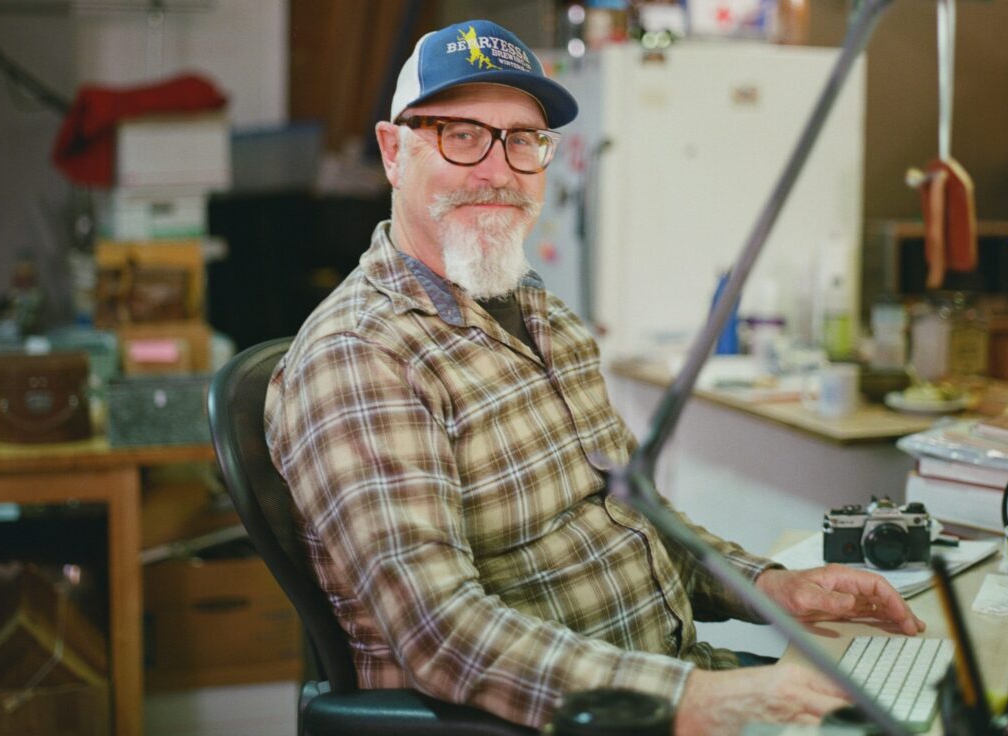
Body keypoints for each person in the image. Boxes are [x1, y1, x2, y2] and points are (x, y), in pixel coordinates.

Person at [266, 19, 925, 735]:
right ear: (394, 152)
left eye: (523, 140)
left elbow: (632, 519)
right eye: (462, 135)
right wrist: (694, 701)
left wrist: (768, 585)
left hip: (673, 681)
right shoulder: (362, 356)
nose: (498, 170)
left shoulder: (541, 315)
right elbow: (441, 632)